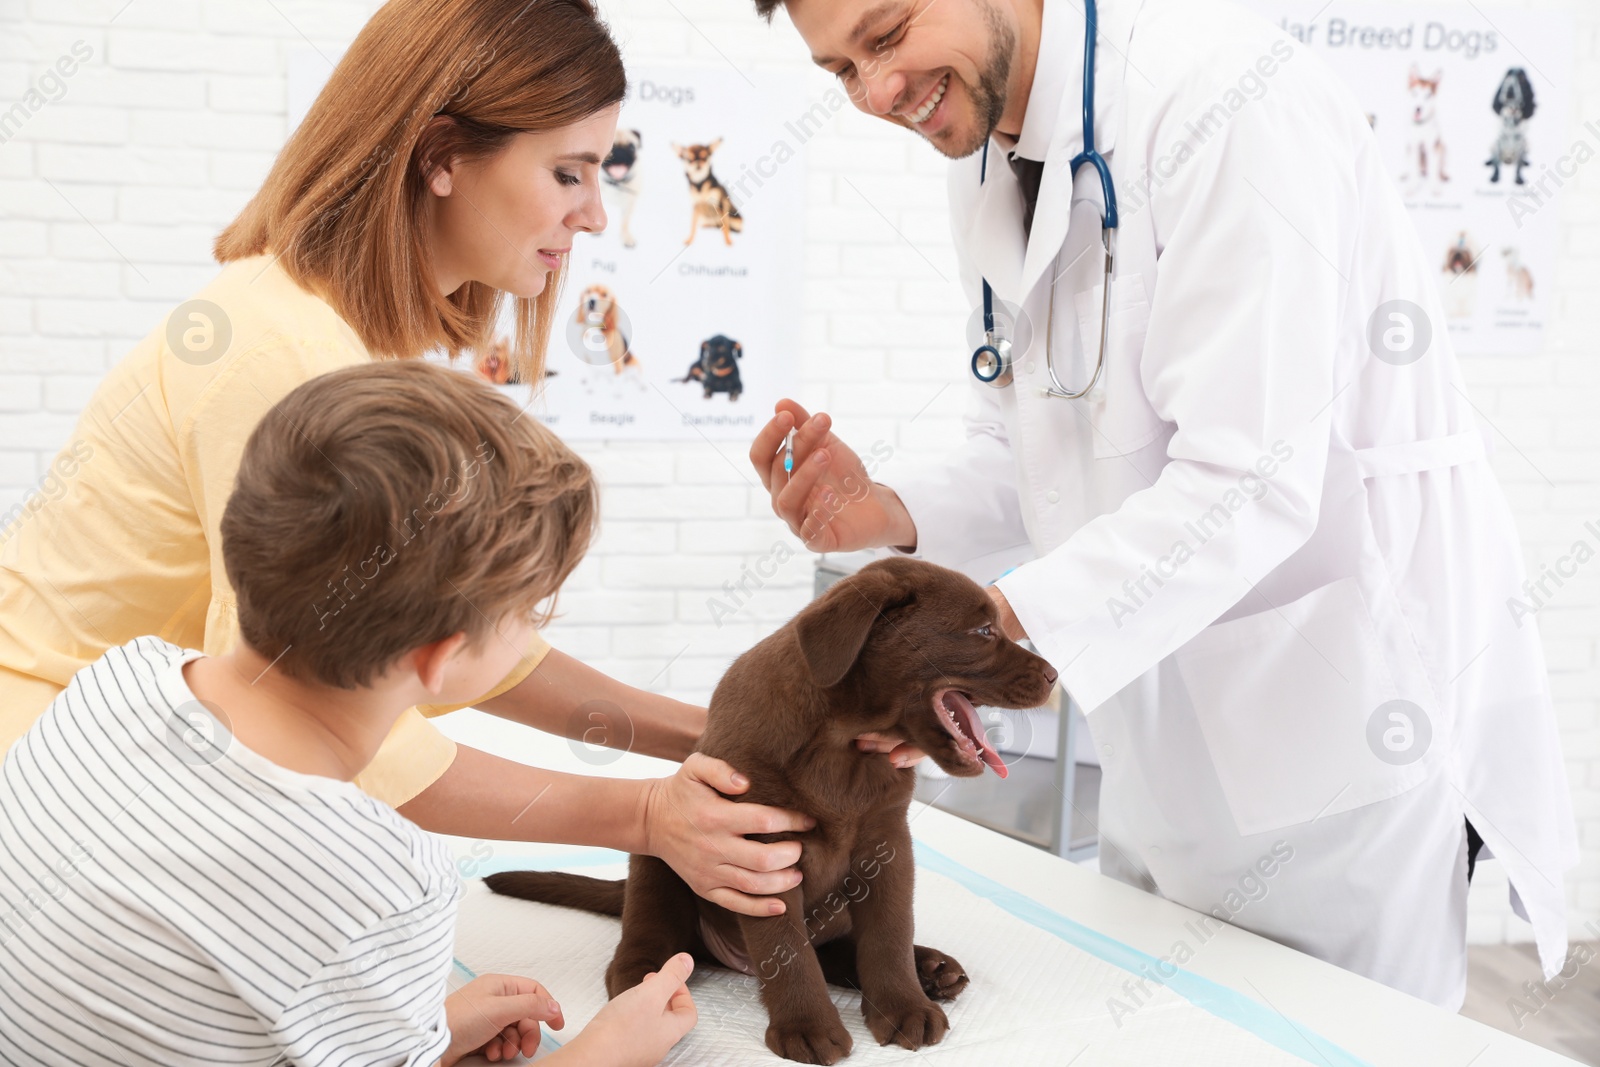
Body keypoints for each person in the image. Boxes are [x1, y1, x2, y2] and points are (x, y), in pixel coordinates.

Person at [0, 0, 923, 921]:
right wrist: (645, 813)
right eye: (568, 172)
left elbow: (467, 650)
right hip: (57, 803)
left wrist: (733, 738)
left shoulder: (346, 346)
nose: (596, 215)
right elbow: (319, 717)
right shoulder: (275, 353)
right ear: (441, 156)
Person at [746, 0, 1577, 1007]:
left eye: (887, 36)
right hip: (1158, 726)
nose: (877, 95)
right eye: (839, 70)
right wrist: (888, 509)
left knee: (1325, 1032)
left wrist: (980, 634)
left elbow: (1250, 478)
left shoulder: (1223, 107)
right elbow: (1046, 452)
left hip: (1328, 722)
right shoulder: (988, 154)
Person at [0, 361, 699, 1066]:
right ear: (440, 659)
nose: (538, 629)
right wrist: (611, 1048)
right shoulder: (381, 879)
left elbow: (168, 987)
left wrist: (418, 1033)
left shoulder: (113, 681)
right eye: (531, 612)